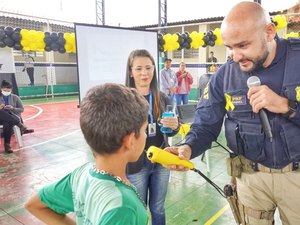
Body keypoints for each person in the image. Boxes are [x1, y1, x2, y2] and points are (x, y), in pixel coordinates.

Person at [166, 2, 300, 225]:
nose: (235, 56)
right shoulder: (224, 76)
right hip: (250, 179)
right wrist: (187, 147)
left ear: (269, 32)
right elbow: (205, 124)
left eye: (243, 45)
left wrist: (287, 106)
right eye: (229, 47)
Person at [25, 83, 150, 225]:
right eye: (144, 130)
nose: (146, 136)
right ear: (130, 140)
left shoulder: (81, 175)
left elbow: (35, 205)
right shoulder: (123, 208)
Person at [125, 49, 179, 225]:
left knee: (158, 208)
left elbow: (169, 132)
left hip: (161, 161)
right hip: (135, 165)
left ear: (154, 70)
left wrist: (174, 127)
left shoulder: (161, 98)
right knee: (138, 210)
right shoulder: (123, 100)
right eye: (139, 68)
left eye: (148, 68)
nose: (144, 73)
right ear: (130, 72)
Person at [0, 80, 33, 153]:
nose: (6, 92)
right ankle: (20, 124)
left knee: (7, 122)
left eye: (8, 91)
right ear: (1, 89)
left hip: (11, 118)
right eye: (4, 90)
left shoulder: (15, 97)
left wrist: (13, 108)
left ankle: (7, 145)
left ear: (11, 90)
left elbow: (21, 109)